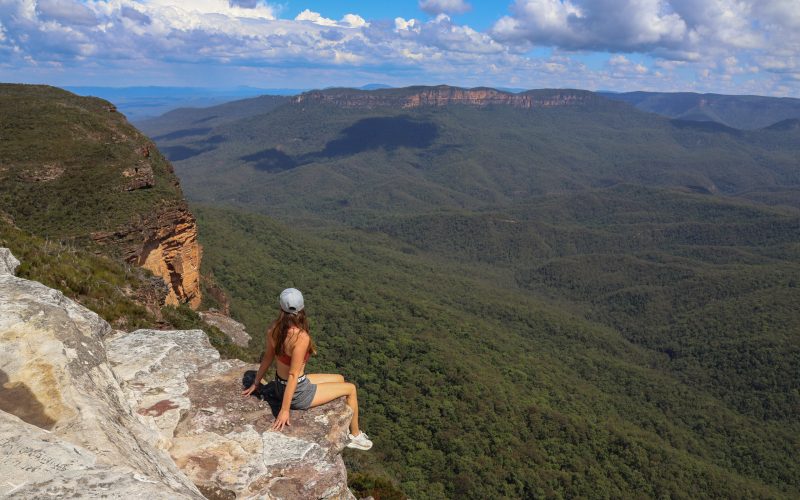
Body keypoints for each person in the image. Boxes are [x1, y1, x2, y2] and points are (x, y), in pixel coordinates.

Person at [242, 288, 372, 450]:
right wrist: (284, 410)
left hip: (280, 385)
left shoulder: (273, 329)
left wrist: (256, 381)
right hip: (298, 393)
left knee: (339, 378)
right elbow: (293, 374)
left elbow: (268, 357)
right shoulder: (301, 337)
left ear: (280, 308)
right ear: (302, 308)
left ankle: (355, 433)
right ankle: (355, 435)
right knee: (351, 389)